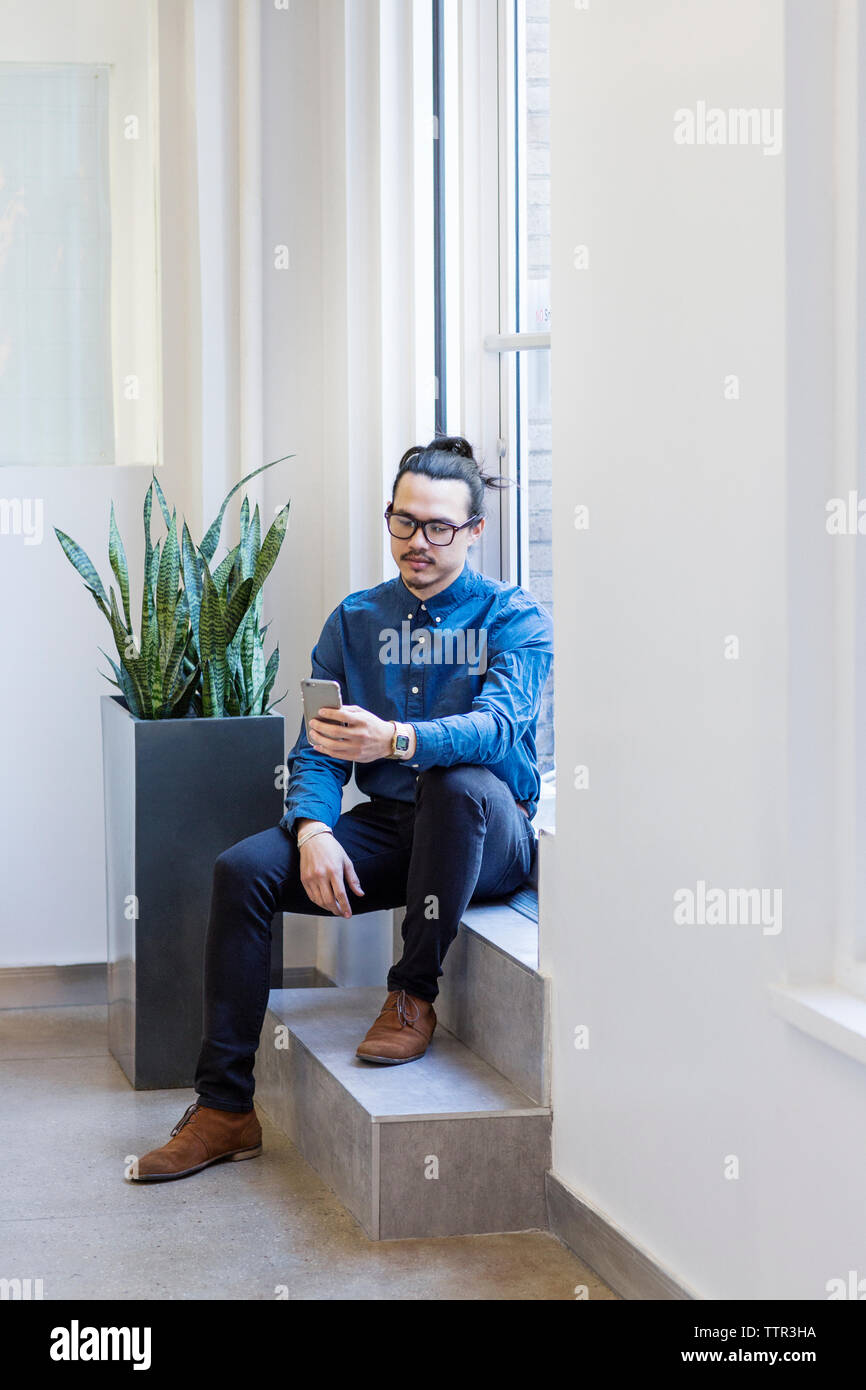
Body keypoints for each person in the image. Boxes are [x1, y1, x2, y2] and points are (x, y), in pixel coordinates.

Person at [130, 436, 554, 1182]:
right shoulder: (355, 621)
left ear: (475, 532)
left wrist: (396, 738)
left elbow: (495, 728)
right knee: (244, 870)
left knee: (454, 783)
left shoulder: (515, 617)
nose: (417, 542)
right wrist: (315, 828)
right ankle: (224, 1110)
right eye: (403, 522)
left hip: (491, 833)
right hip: (395, 831)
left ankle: (412, 993)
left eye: (439, 528)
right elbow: (320, 750)